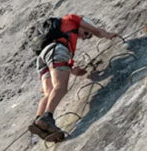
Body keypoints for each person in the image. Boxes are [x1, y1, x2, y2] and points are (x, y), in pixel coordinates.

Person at [29, 14, 117, 142]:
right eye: (87, 34)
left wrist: (75, 70)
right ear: (84, 24)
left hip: (42, 57)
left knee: (49, 93)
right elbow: (97, 31)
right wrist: (108, 35)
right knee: (61, 87)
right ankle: (47, 117)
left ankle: (38, 120)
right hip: (56, 51)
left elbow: (65, 63)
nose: (85, 37)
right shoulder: (72, 19)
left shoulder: (64, 34)